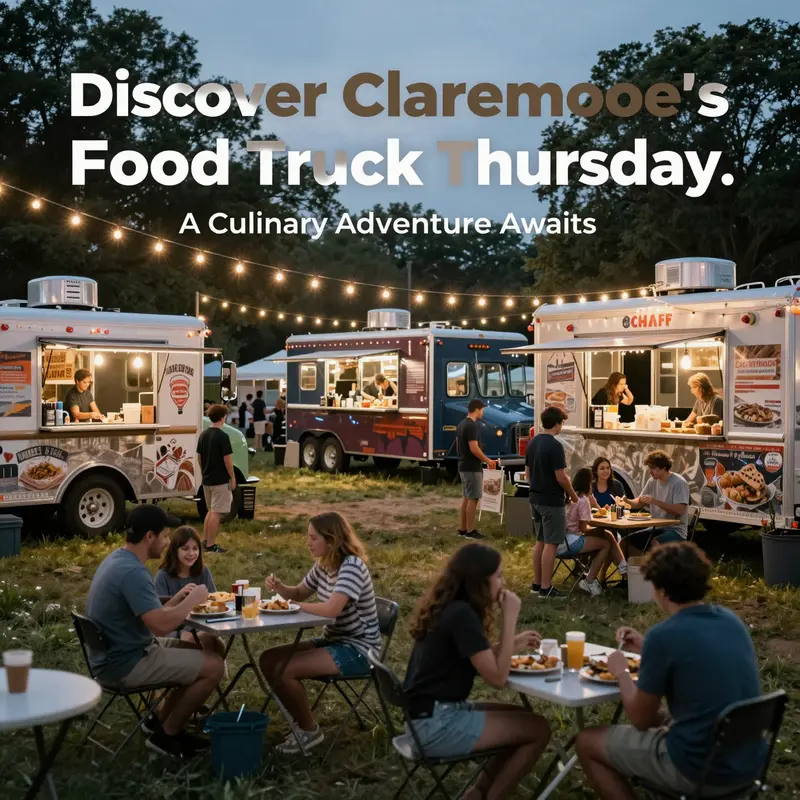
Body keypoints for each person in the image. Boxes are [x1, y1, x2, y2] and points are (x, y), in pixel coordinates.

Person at [576, 542, 765, 799]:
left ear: (662, 591)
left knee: (587, 741)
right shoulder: (731, 621)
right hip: (747, 763)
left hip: (698, 769)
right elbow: (695, 657)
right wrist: (647, 648)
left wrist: (621, 672)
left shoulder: (664, 637)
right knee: (663, 718)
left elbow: (640, 719)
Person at [404, 543, 551, 799]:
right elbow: (497, 677)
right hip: (436, 727)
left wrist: (512, 643)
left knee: (522, 718)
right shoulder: (462, 615)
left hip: (422, 719)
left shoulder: (451, 606)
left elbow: (473, 656)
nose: (503, 582)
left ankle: (478, 793)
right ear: (480, 580)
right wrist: (510, 619)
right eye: (499, 576)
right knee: (539, 730)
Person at [85, 505, 223, 758]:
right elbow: (161, 626)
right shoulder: (133, 572)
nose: (167, 542)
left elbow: (149, 614)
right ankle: (167, 736)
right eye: (165, 536)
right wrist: (193, 601)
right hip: (125, 663)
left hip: (115, 653)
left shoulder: (117, 559)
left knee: (193, 650)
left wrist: (177, 599)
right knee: (214, 666)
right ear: (150, 536)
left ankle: (158, 720)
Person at [259, 511, 381, 754]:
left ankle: (309, 730)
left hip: (359, 650)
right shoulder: (325, 564)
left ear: (332, 540)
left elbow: (330, 610)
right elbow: (301, 592)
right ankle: (299, 720)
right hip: (334, 641)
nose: (308, 543)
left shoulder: (352, 567)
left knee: (285, 669)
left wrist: (291, 606)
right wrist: (282, 588)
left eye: (313, 538)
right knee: (267, 659)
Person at [525, 406, 577, 599]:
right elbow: (561, 476)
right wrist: (573, 495)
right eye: (562, 422)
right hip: (551, 501)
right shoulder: (555, 446)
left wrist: (535, 489)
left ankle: (537, 584)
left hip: (535, 498)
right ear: (557, 423)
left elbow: (528, 473)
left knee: (539, 541)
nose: (562, 426)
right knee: (551, 543)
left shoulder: (533, 442)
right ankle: (547, 587)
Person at [154, 526, 226, 659]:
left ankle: (212, 671)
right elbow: (159, 615)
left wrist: (188, 631)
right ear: (174, 550)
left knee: (211, 637)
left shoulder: (202, 571)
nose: (191, 553)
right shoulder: (163, 576)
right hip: (171, 630)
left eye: (195, 548)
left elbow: (215, 603)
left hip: (200, 625)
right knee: (196, 640)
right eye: (185, 548)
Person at [561, 467, 627, 596]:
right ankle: (590, 580)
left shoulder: (569, 495)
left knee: (607, 534)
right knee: (606, 543)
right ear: (588, 483)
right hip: (571, 542)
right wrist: (598, 529)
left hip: (560, 541)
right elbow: (584, 528)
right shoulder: (583, 499)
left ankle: (623, 567)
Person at [625, 450, 690, 554]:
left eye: (653, 468)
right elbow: (640, 502)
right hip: (656, 527)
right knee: (625, 543)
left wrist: (656, 502)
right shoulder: (652, 481)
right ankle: (638, 568)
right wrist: (626, 501)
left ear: (663, 467)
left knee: (655, 543)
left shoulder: (679, 483)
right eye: (649, 468)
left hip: (676, 530)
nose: (650, 471)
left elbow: (680, 510)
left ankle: (654, 569)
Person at [456, 399, 498, 541]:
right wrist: (488, 460)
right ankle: (470, 531)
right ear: (477, 409)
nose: (483, 412)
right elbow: (474, 448)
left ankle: (462, 529)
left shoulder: (462, 424)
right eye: (482, 409)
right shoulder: (472, 426)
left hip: (463, 465)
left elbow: (458, 446)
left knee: (466, 498)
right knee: (473, 498)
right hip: (472, 467)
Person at [196, 404, 236, 553]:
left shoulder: (203, 435)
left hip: (207, 480)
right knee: (216, 513)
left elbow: (199, 458)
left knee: (211, 511)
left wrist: (203, 472)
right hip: (220, 481)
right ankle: (211, 545)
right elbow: (227, 460)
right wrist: (232, 477)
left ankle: (205, 541)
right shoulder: (223, 436)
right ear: (222, 417)